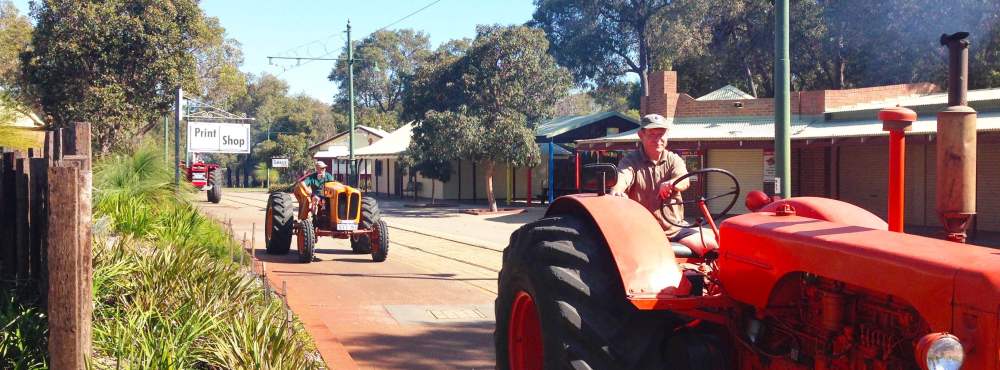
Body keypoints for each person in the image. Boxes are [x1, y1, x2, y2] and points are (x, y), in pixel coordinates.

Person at [609, 114, 719, 255]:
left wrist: (672, 184)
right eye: (652, 134)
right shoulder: (630, 161)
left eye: (661, 134)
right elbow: (623, 176)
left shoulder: (674, 160)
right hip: (642, 231)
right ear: (641, 135)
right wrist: (617, 191)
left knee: (711, 248)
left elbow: (684, 180)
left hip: (674, 229)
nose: (658, 139)